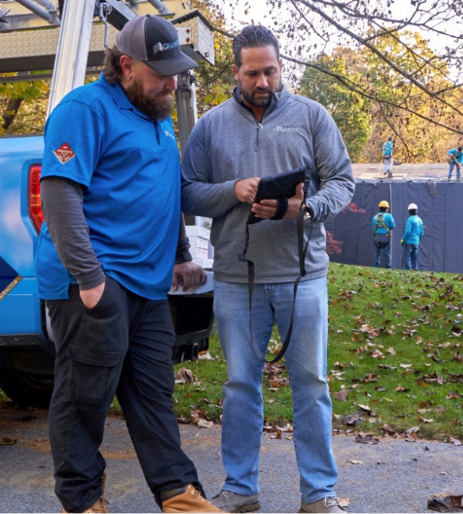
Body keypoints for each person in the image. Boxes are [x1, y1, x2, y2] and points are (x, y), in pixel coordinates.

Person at [34, 15, 226, 514]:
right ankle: (81, 503)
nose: (172, 82)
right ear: (125, 65)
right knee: (84, 397)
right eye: (161, 72)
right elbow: (59, 196)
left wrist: (182, 256)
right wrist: (90, 279)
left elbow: (161, 195)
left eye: (175, 71)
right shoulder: (84, 110)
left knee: (153, 395)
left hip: (147, 285)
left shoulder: (158, 119)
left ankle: (180, 494)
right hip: (96, 280)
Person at [181, 25, 354, 514]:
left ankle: (318, 494)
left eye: (271, 71)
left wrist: (307, 210)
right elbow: (188, 189)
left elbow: (342, 181)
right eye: (253, 72)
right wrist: (232, 190)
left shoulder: (312, 117)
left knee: (312, 385)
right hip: (237, 278)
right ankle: (240, 489)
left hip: (303, 276)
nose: (263, 81)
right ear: (236, 71)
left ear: (282, 67)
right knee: (239, 386)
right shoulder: (211, 126)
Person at [400, 203, 424, 271]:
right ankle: (415, 269)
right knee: (415, 257)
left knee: (407, 256)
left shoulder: (410, 219)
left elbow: (408, 231)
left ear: (409, 211)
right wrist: (418, 240)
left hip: (409, 241)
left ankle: (408, 270)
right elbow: (422, 233)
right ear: (416, 211)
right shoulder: (420, 220)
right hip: (416, 242)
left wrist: (403, 239)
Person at [372, 200, 395, 268]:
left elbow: (373, 229)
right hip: (386, 236)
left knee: (377, 253)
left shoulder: (375, 217)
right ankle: (387, 267)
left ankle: (376, 266)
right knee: (387, 253)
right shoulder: (389, 216)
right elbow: (393, 226)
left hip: (377, 237)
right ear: (386, 208)